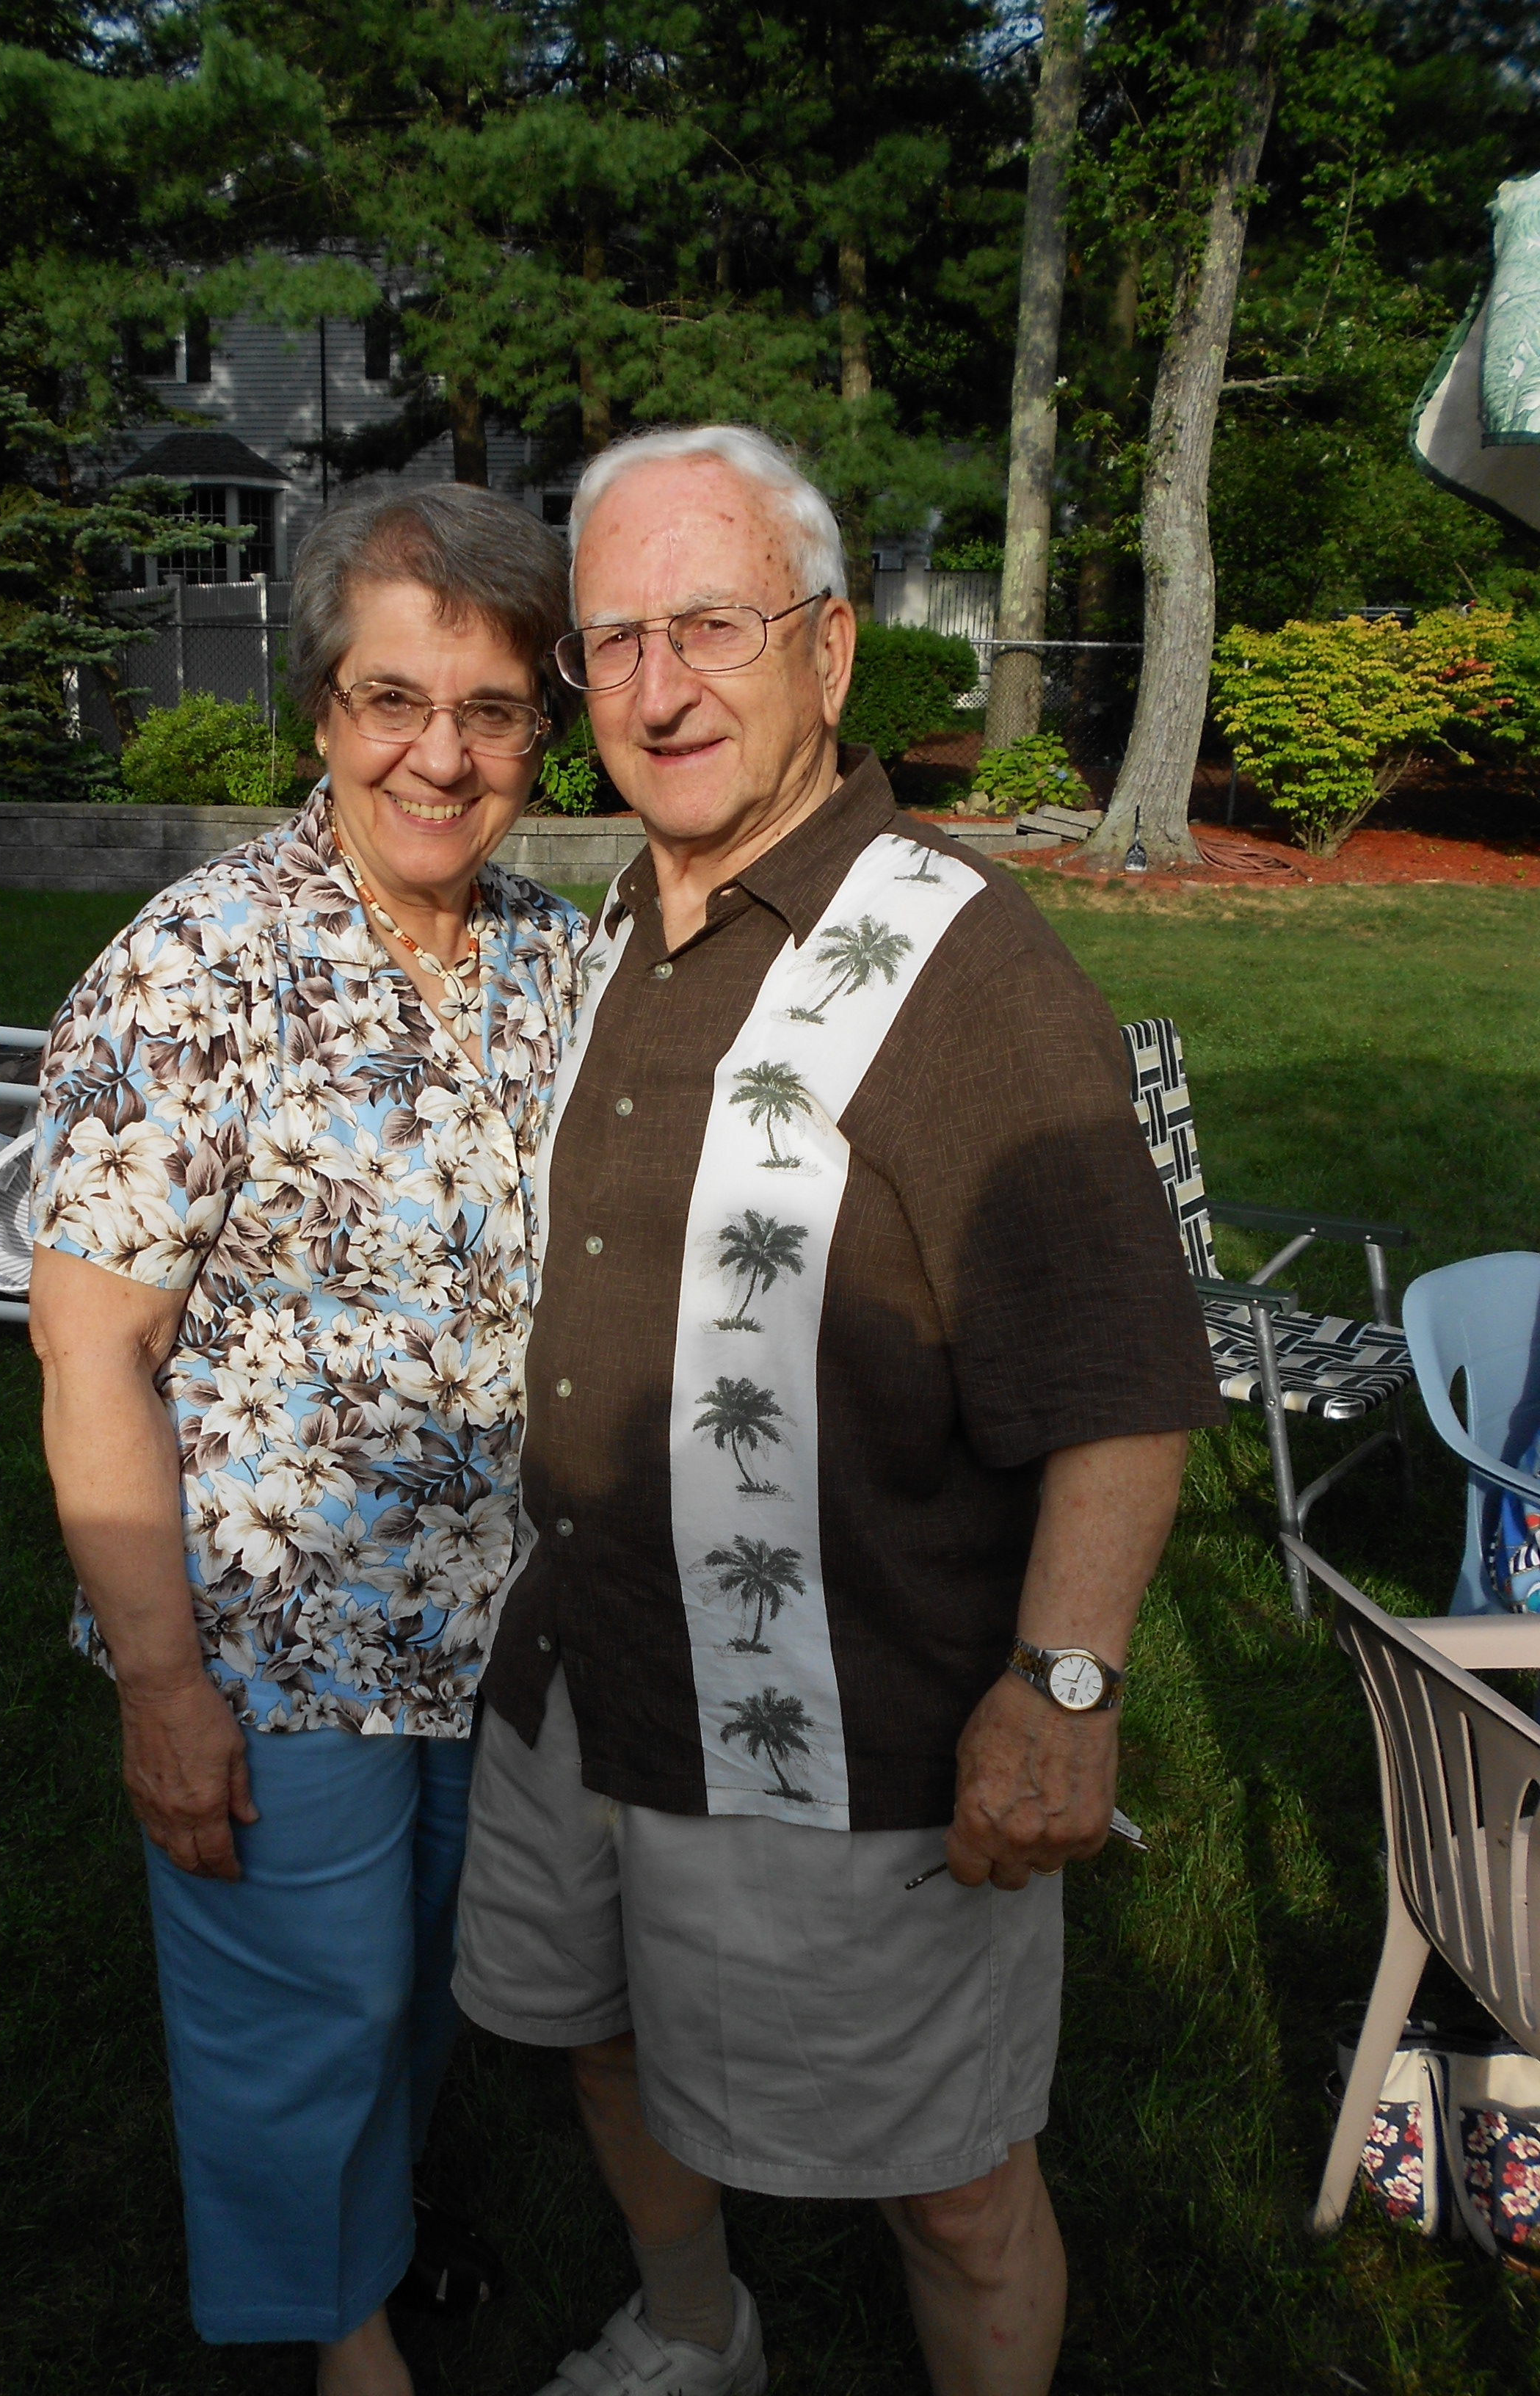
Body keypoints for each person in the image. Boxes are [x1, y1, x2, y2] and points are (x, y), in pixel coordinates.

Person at [451, 426, 1226, 2396]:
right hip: (587, 1671)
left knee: (950, 2187)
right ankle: (693, 2326)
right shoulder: (628, 926)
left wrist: (1061, 1689)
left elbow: (1120, 1367)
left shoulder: (966, 969)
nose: (657, 689)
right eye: (614, 642)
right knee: (598, 2037)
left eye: (712, 624)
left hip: (841, 1720)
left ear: (831, 648)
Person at [26, 483, 584, 2396]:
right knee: (303, 2009)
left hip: (496, 1617)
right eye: (392, 700)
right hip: (271, 1626)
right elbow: (91, 1348)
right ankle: (338, 2337)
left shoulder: (550, 954)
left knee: (426, 1983)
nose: (441, 754)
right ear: (323, 711)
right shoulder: (201, 963)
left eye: (491, 709)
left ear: (538, 729)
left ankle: (371, 2234)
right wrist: (161, 1686)